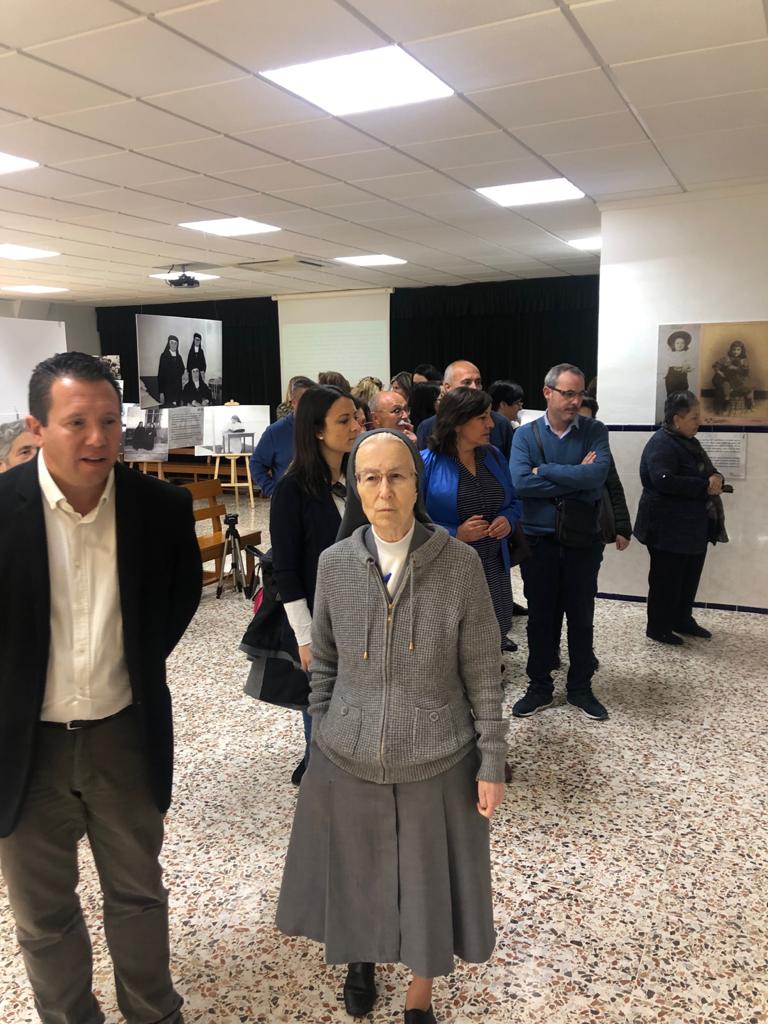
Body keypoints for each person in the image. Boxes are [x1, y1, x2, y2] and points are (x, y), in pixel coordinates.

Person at [276, 428, 507, 1024]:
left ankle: (419, 994)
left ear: (416, 483)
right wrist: (323, 733)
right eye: (371, 478)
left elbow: (484, 670)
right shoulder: (334, 565)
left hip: (437, 753)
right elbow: (324, 663)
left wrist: (492, 760)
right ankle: (361, 959)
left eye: (397, 476)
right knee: (358, 872)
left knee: (430, 883)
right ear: (355, 486)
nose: (385, 491)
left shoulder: (458, 565)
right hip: (348, 752)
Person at [0, 351, 201, 1024]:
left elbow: (175, 605)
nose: (98, 437)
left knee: (139, 895)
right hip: (24, 746)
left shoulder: (160, 509)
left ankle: (153, 1013)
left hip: (123, 733)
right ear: (37, 427)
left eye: (110, 421)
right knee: (43, 913)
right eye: (77, 422)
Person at [269, 385, 361, 787]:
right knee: (321, 700)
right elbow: (286, 570)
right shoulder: (292, 489)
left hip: (365, 610)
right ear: (318, 430)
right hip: (321, 616)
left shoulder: (361, 476)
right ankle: (318, 769)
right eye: (344, 420)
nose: (356, 426)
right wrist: (304, 636)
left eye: (356, 417)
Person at [509, 363, 611, 721]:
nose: (574, 401)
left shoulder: (595, 430)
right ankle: (539, 687)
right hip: (539, 541)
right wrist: (576, 476)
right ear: (547, 393)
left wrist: (547, 470)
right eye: (567, 393)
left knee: (581, 616)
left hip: (583, 540)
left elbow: (596, 477)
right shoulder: (525, 436)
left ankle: (580, 688)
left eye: (579, 393)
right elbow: (521, 483)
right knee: (540, 617)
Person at [421, 388, 521, 654]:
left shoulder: (493, 456)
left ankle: (491, 673)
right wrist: (455, 533)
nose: (491, 424)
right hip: (449, 570)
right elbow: (413, 522)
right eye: (482, 417)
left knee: (494, 631)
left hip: (493, 564)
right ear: (457, 422)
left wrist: (508, 520)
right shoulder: (426, 463)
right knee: (455, 639)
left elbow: (514, 501)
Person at [634, 390, 725, 645]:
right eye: (694, 417)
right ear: (677, 419)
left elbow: (708, 470)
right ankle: (658, 627)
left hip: (692, 528)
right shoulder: (662, 443)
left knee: (688, 578)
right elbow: (663, 480)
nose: (699, 422)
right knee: (666, 581)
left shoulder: (689, 442)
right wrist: (704, 486)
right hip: (666, 529)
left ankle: (682, 619)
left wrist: (716, 477)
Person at [550, 395, 632, 670]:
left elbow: (614, 486)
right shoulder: (552, 445)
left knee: (583, 599)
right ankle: (551, 650)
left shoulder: (599, 449)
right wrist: (579, 472)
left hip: (590, 532)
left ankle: (583, 654)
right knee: (553, 599)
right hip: (554, 532)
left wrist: (622, 527)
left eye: (588, 420)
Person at [416, 361, 514, 459]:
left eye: (478, 382)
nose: (474, 387)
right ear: (447, 387)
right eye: (467, 383)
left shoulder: (501, 424)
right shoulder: (427, 427)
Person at [250, 376, 314, 497]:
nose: (312, 407)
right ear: (294, 403)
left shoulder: (323, 427)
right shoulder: (276, 431)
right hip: (290, 500)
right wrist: (274, 492)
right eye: (307, 402)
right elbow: (256, 464)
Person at [712, 339, 754, 413]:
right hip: (727, 379)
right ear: (731, 350)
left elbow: (745, 372)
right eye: (734, 349)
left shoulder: (743, 360)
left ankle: (749, 406)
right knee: (726, 389)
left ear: (742, 351)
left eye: (738, 350)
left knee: (747, 389)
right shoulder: (726, 358)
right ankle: (725, 406)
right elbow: (716, 365)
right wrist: (719, 372)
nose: (736, 352)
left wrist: (736, 368)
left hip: (739, 379)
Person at [156, 334, 184, 407]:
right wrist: (161, 392)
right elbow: (160, 375)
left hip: (178, 390)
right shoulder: (164, 356)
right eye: (172, 343)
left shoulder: (179, 357)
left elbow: (182, 369)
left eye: (175, 343)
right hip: (167, 390)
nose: (174, 345)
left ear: (177, 345)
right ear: (168, 343)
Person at [663, 331, 694, 396]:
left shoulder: (686, 354)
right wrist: (664, 374)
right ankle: (671, 400)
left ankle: (681, 401)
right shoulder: (670, 354)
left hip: (682, 374)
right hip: (671, 374)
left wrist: (687, 366)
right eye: (677, 343)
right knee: (671, 391)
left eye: (682, 343)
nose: (680, 345)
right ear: (673, 344)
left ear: (685, 345)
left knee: (683, 391)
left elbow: (690, 364)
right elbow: (666, 365)